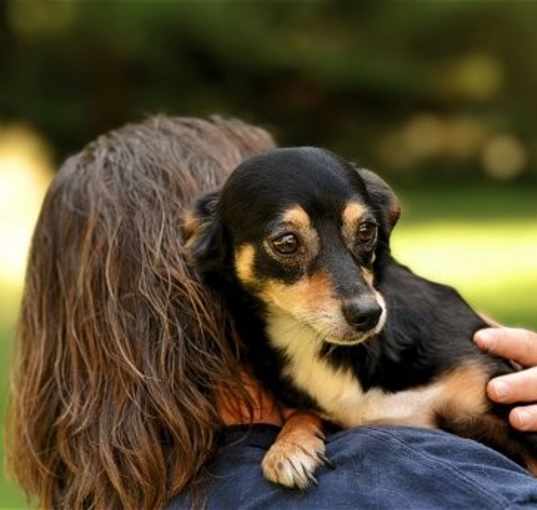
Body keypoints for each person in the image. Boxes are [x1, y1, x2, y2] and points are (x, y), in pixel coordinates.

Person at [7, 115, 537, 509]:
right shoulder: (405, 480)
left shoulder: (118, 492)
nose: (357, 298)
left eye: (363, 234)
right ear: (203, 259)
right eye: (287, 243)